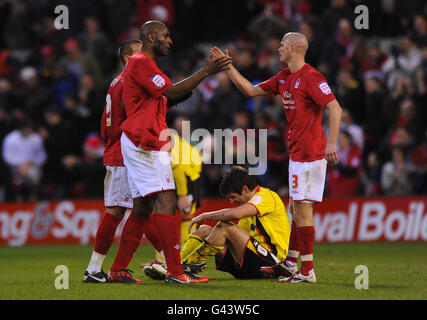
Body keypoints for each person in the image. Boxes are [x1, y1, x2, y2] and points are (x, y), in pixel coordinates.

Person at [211, 32, 342, 283]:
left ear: (293, 48)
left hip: (310, 153)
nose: (278, 48)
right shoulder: (284, 77)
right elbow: (249, 90)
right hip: (298, 154)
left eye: (282, 44)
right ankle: (291, 264)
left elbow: (335, 108)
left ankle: (308, 271)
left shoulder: (312, 77)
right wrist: (228, 67)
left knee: (303, 211)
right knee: (295, 208)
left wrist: (331, 142)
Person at [108, 20, 231, 284]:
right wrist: (206, 71)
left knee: (142, 208)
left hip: (144, 140)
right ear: (152, 37)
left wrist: (200, 76)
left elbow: (169, 97)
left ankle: (118, 269)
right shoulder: (141, 62)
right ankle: (176, 271)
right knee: (166, 201)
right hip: (145, 142)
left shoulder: (147, 66)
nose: (170, 40)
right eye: (165, 36)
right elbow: (172, 90)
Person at [145, 166, 290, 280]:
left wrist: (206, 214)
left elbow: (235, 214)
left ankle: (189, 267)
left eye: (233, 197)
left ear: (245, 189)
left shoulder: (266, 196)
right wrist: (210, 234)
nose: (232, 202)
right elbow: (236, 238)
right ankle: (174, 267)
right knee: (203, 230)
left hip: (270, 263)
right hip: (251, 262)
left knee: (225, 226)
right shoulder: (250, 206)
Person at [82, 39, 142, 283]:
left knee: (145, 208)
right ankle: (94, 269)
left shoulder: (118, 81)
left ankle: (166, 261)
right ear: (128, 58)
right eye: (140, 54)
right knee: (118, 210)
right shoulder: (129, 82)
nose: (146, 58)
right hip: (123, 153)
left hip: (123, 151)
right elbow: (134, 119)